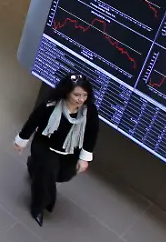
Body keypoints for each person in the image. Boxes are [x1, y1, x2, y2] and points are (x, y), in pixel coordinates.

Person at [14, 73, 100, 227]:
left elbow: (92, 133)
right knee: (47, 174)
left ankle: (34, 167)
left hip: (69, 150)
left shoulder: (89, 111)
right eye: (77, 95)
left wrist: (84, 158)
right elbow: (33, 121)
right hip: (45, 146)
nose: (81, 99)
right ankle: (38, 207)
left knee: (64, 174)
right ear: (67, 92)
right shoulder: (51, 105)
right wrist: (22, 140)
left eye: (85, 95)